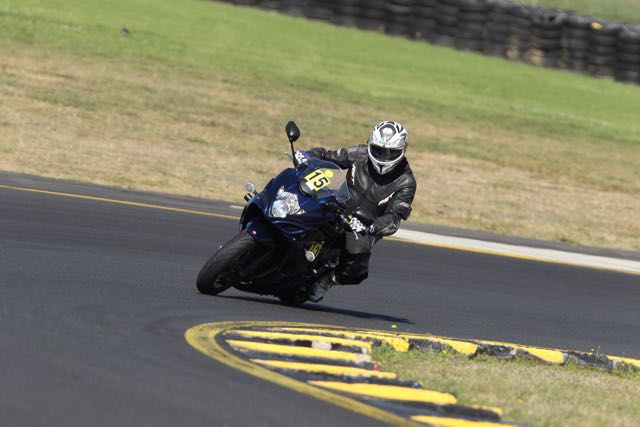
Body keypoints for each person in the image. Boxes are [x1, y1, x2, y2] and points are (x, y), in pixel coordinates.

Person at [295, 120, 417, 302]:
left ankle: (325, 281)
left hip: (361, 224)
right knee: (300, 193)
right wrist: (308, 155)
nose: (383, 157)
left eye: (391, 153)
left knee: (356, 269)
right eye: (378, 150)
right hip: (335, 202)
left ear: (403, 149)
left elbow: (394, 218)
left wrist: (372, 226)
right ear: (369, 144)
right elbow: (328, 157)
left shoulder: (406, 181)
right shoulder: (359, 153)